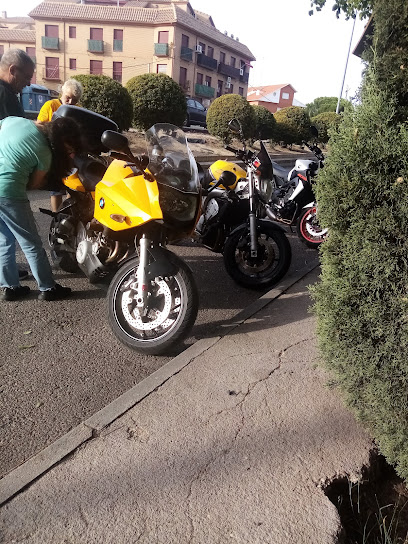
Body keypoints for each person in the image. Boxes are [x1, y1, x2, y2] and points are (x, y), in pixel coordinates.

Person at [0, 115, 82, 301]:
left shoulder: (13, 120)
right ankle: (48, 287)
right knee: (31, 243)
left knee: (5, 240)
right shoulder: (44, 152)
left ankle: (10, 287)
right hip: (10, 192)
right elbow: (36, 184)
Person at [0, 48, 35, 280]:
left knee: (4, 233)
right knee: (20, 234)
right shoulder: (4, 94)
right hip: (5, 174)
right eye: (26, 78)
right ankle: (46, 286)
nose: (27, 84)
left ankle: (8, 276)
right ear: (13, 70)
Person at [37, 78, 84, 212]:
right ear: (62, 92)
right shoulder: (51, 105)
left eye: (74, 100)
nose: (70, 102)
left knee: (71, 184)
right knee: (56, 188)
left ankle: (69, 214)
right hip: (54, 152)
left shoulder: (78, 109)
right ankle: (56, 214)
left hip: (70, 153)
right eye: (68, 98)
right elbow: (40, 124)